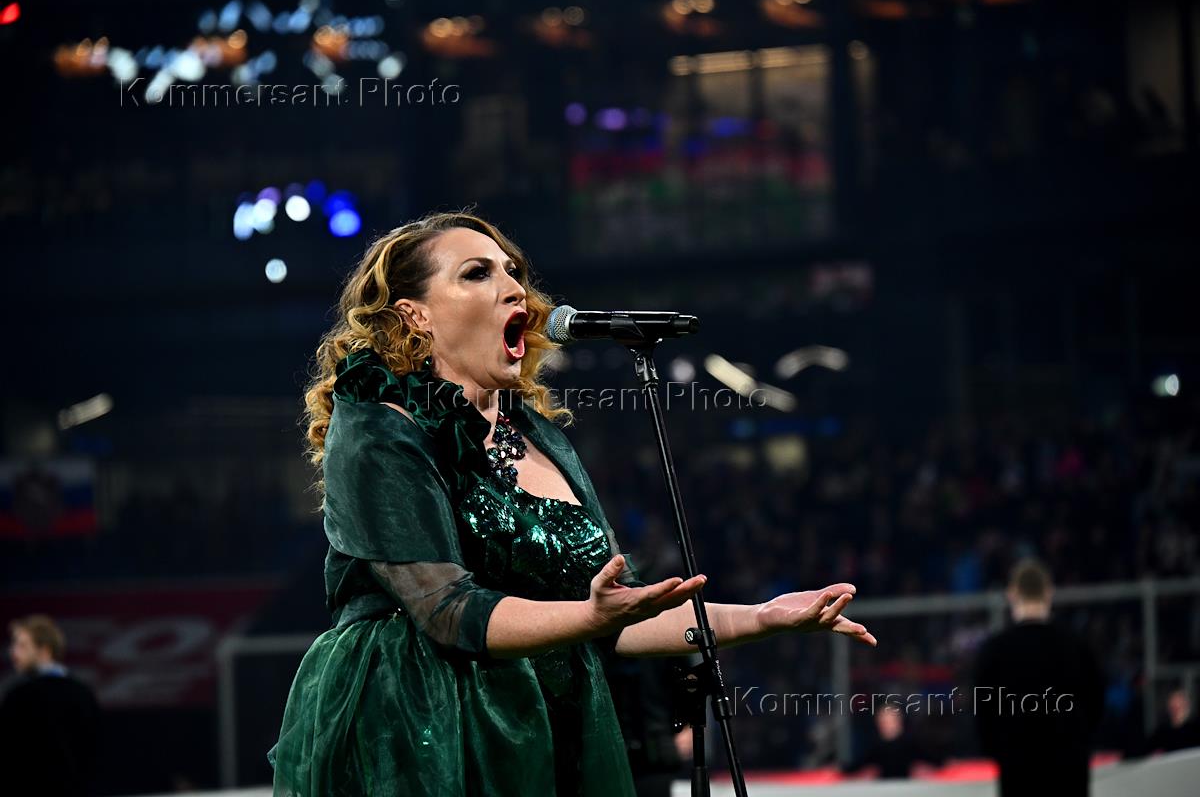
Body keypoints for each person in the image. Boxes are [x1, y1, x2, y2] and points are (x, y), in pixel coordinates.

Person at [268, 210, 878, 796]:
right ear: (415, 315)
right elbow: (447, 611)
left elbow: (621, 614)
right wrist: (589, 619)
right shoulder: (378, 426)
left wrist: (762, 617)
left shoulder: (539, 435)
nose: (515, 288)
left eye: (512, 271)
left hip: (549, 726)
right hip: (424, 730)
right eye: (477, 273)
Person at [973, 558, 1104, 797]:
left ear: (1012, 595)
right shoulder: (1076, 647)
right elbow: (1095, 706)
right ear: (1049, 593)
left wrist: (1001, 750)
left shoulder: (995, 651)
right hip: (1069, 769)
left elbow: (984, 714)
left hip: (1018, 770)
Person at [0, 614, 101, 796]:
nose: (13, 652)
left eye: (22, 646)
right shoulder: (83, 693)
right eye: (14, 645)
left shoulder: (19, 696)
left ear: (44, 651)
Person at [1144, 687, 1200, 754]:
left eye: (1179, 704)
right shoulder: (1161, 733)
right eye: (1173, 706)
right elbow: (1147, 752)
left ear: (1187, 704)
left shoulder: (1195, 728)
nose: (1176, 709)